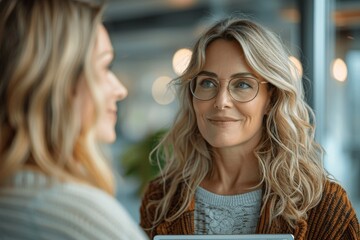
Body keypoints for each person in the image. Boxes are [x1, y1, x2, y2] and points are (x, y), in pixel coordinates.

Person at [140, 17, 360, 239]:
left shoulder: (322, 206)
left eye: (242, 84)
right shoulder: (160, 199)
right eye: (208, 83)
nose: (221, 101)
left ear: (271, 99)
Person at [0, 0, 148, 239]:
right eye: (104, 67)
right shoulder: (78, 215)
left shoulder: (11, 197)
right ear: (58, 85)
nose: (120, 89)